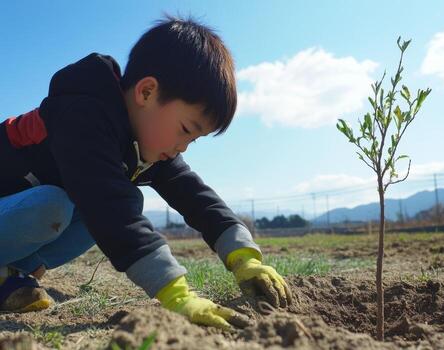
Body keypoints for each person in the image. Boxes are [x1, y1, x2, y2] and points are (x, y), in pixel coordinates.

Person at [0, 14, 292, 330]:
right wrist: (177, 295)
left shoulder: (142, 144)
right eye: (185, 130)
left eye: (193, 140)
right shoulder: (81, 114)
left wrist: (244, 258)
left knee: (99, 209)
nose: (183, 147)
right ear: (147, 92)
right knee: (58, 205)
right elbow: (111, 209)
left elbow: (195, 196)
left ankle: (11, 274)